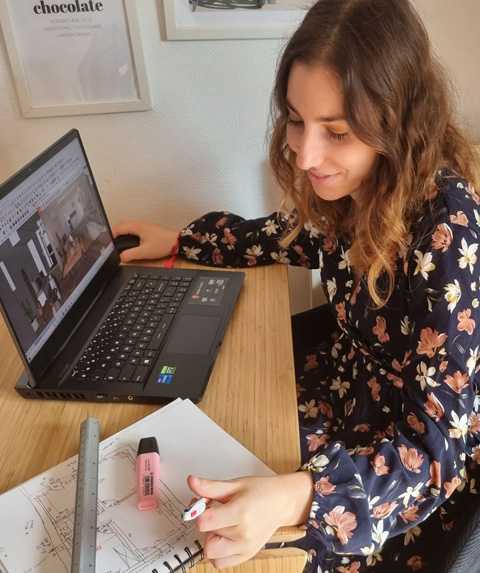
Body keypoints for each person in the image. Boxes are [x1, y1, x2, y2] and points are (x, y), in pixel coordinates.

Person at [113, 0, 480, 570]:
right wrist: (183, 240)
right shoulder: (358, 187)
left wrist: (299, 496)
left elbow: (437, 454)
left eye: (336, 132)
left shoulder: (447, 229)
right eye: (295, 119)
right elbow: (284, 238)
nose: (306, 154)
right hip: (339, 396)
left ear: (397, 122)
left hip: (392, 484)